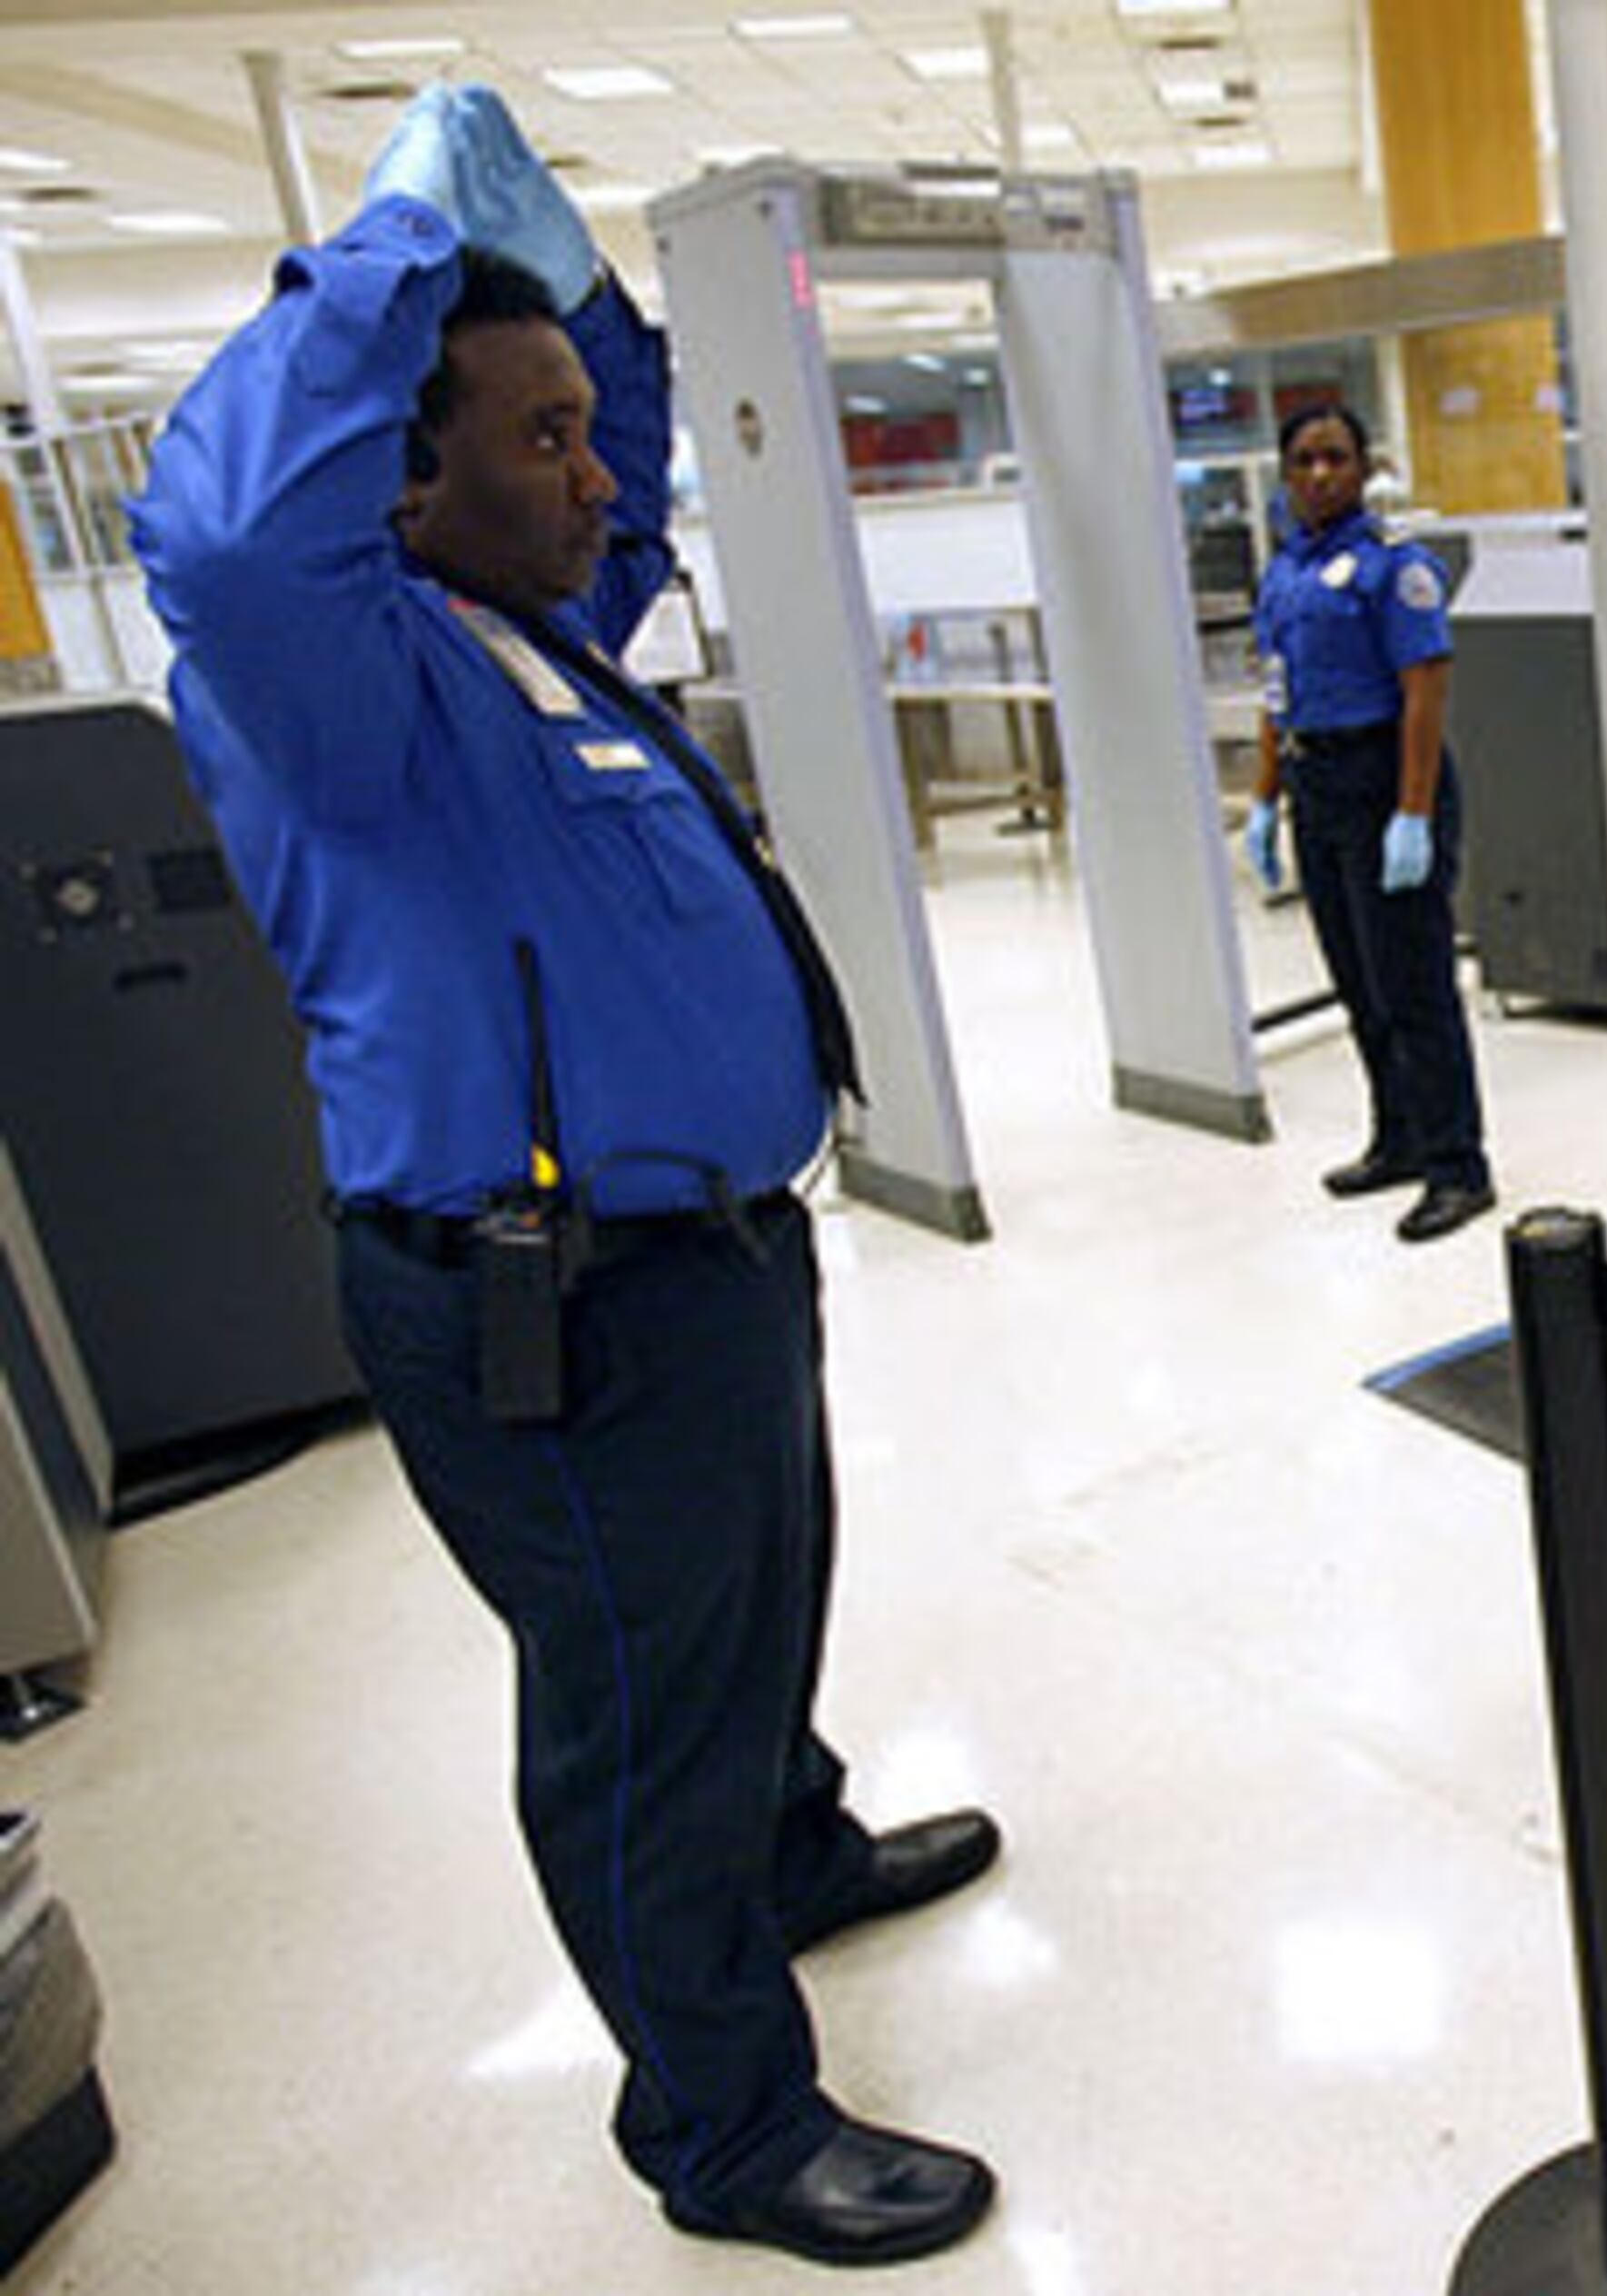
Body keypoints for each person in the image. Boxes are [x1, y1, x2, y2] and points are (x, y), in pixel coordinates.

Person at [130, 85, 1001, 2265]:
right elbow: (223, 536)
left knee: (755, 1608)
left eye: (582, 437)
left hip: (708, 1261)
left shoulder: (535, 623)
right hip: (551, 1294)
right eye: (541, 444)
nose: (600, 477)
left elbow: (609, 425)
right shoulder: (339, 683)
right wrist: (396, 255)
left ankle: (787, 1851)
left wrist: (557, 296)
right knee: (634, 1710)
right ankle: (722, 2127)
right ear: (399, 477)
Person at [1243, 403, 1498, 1245]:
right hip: (1315, 783)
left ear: (1364, 467)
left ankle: (1458, 1166)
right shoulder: (1285, 572)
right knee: (1359, 982)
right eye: (1305, 460)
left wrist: (1412, 814)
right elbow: (1275, 690)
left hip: (1385, 776)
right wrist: (1264, 798)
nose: (1321, 474)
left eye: (1336, 457)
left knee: (1414, 986)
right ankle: (1401, 1139)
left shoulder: (1396, 565)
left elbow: (1425, 692)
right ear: (1286, 473)